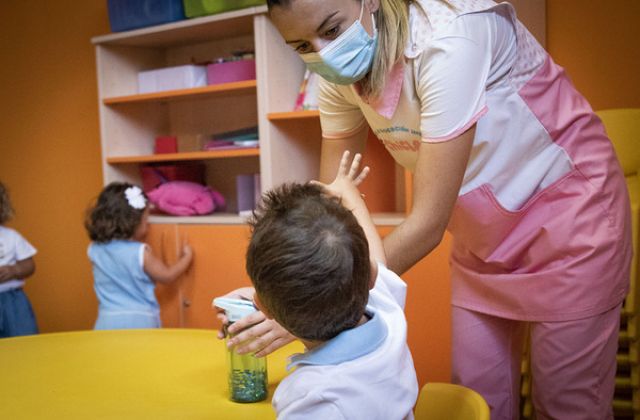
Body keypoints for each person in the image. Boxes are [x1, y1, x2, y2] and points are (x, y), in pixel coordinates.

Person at [229, 1, 632, 418]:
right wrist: (284, 289)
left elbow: (426, 224)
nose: (323, 54)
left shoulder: (449, 38)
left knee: (567, 407)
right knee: (476, 401)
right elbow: (329, 210)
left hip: (569, 225)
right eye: (301, 46)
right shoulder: (338, 73)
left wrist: (305, 304)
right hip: (481, 237)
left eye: (332, 31)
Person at [216, 152, 418, 419]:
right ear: (371, 277)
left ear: (263, 307)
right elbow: (375, 256)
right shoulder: (388, 313)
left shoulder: (314, 398)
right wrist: (348, 193)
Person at [85, 182, 193, 329]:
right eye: (145, 219)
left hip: (106, 320)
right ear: (132, 222)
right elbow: (167, 276)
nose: (148, 224)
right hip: (140, 322)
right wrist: (187, 257)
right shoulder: (139, 252)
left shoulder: (94, 249)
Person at [0, 181, 38, 338]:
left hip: (12, 301)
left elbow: (29, 265)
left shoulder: (11, 236)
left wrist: (14, 270)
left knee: (23, 340)